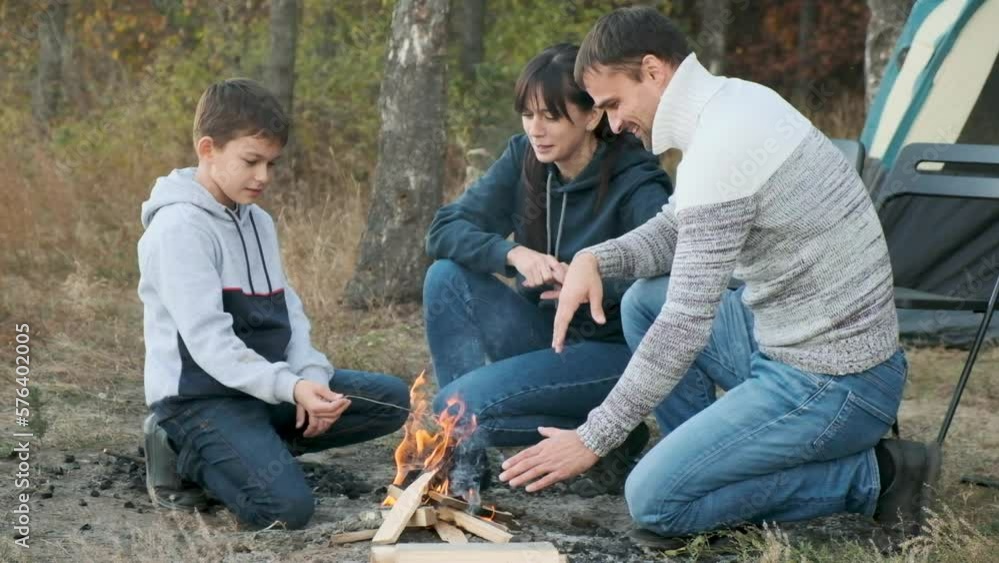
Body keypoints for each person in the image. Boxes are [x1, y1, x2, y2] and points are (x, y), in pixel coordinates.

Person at [498, 7, 940, 545]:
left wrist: (594, 437)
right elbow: (676, 228)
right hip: (789, 345)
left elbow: (685, 324)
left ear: (653, 70)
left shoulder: (723, 145)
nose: (613, 125)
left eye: (614, 104)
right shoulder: (735, 102)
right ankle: (703, 465)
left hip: (837, 383)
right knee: (643, 300)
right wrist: (596, 259)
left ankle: (877, 475)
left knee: (653, 500)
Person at [137, 79, 410, 529]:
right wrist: (292, 389)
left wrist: (311, 378)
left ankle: (251, 451)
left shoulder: (258, 221)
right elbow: (211, 346)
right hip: (199, 399)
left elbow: (290, 314)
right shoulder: (178, 230)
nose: (263, 176)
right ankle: (183, 451)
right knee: (286, 511)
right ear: (208, 149)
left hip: (264, 389)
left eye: (271, 163)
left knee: (391, 400)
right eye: (251, 161)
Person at [423, 44, 673, 497]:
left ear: (592, 116)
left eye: (551, 117)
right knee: (446, 276)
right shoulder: (525, 159)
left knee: (454, 408)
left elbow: (675, 267)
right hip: (544, 337)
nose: (535, 130)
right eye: (527, 114)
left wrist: (595, 283)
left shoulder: (636, 180)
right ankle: (466, 466)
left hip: (612, 352)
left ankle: (602, 432)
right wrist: (513, 254)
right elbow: (444, 229)